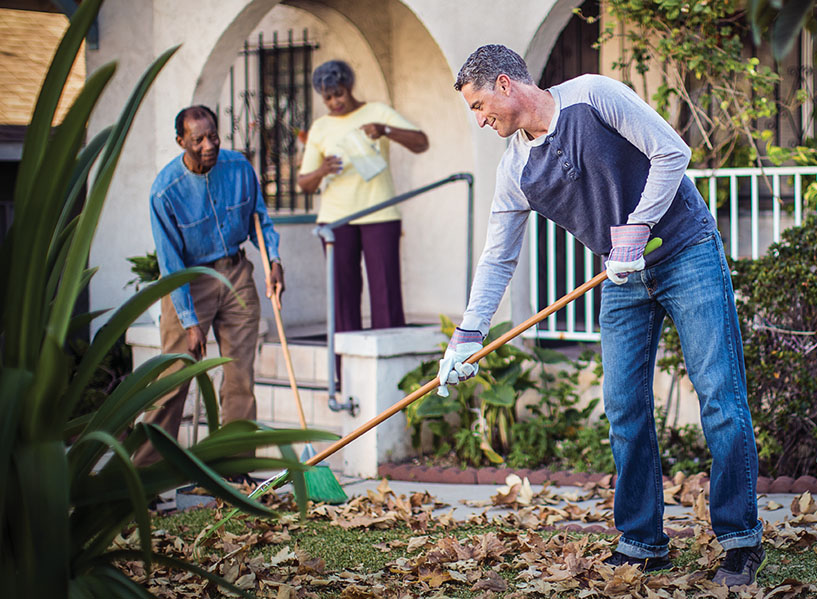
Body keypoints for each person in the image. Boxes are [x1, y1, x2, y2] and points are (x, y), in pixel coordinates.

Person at [441, 45, 763, 586]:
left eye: (478, 105)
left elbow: (672, 152)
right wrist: (468, 336)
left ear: (504, 84)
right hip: (620, 277)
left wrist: (635, 230)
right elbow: (498, 257)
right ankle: (642, 540)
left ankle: (739, 540)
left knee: (719, 396)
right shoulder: (516, 169)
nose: (479, 119)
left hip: (686, 250)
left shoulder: (593, 95)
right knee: (622, 407)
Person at [137, 105, 284, 470]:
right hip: (189, 281)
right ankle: (144, 474)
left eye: (213, 136)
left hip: (235, 274)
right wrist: (189, 321)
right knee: (173, 380)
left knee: (240, 377)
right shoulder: (164, 191)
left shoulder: (239, 169)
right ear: (181, 141)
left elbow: (260, 224)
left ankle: (234, 469)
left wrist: (275, 262)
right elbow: (170, 263)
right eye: (198, 139)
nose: (209, 145)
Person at [298, 60, 429, 343]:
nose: (334, 102)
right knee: (343, 298)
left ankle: (393, 374)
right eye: (328, 98)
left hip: (379, 214)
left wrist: (386, 131)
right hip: (336, 220)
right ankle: (346, 376)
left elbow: (421, 142)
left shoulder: (377, 113)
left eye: (339, 94)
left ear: (349, 87)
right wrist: (322, 170)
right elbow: (304, 183)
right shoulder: (320, 128)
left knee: (386, 294)